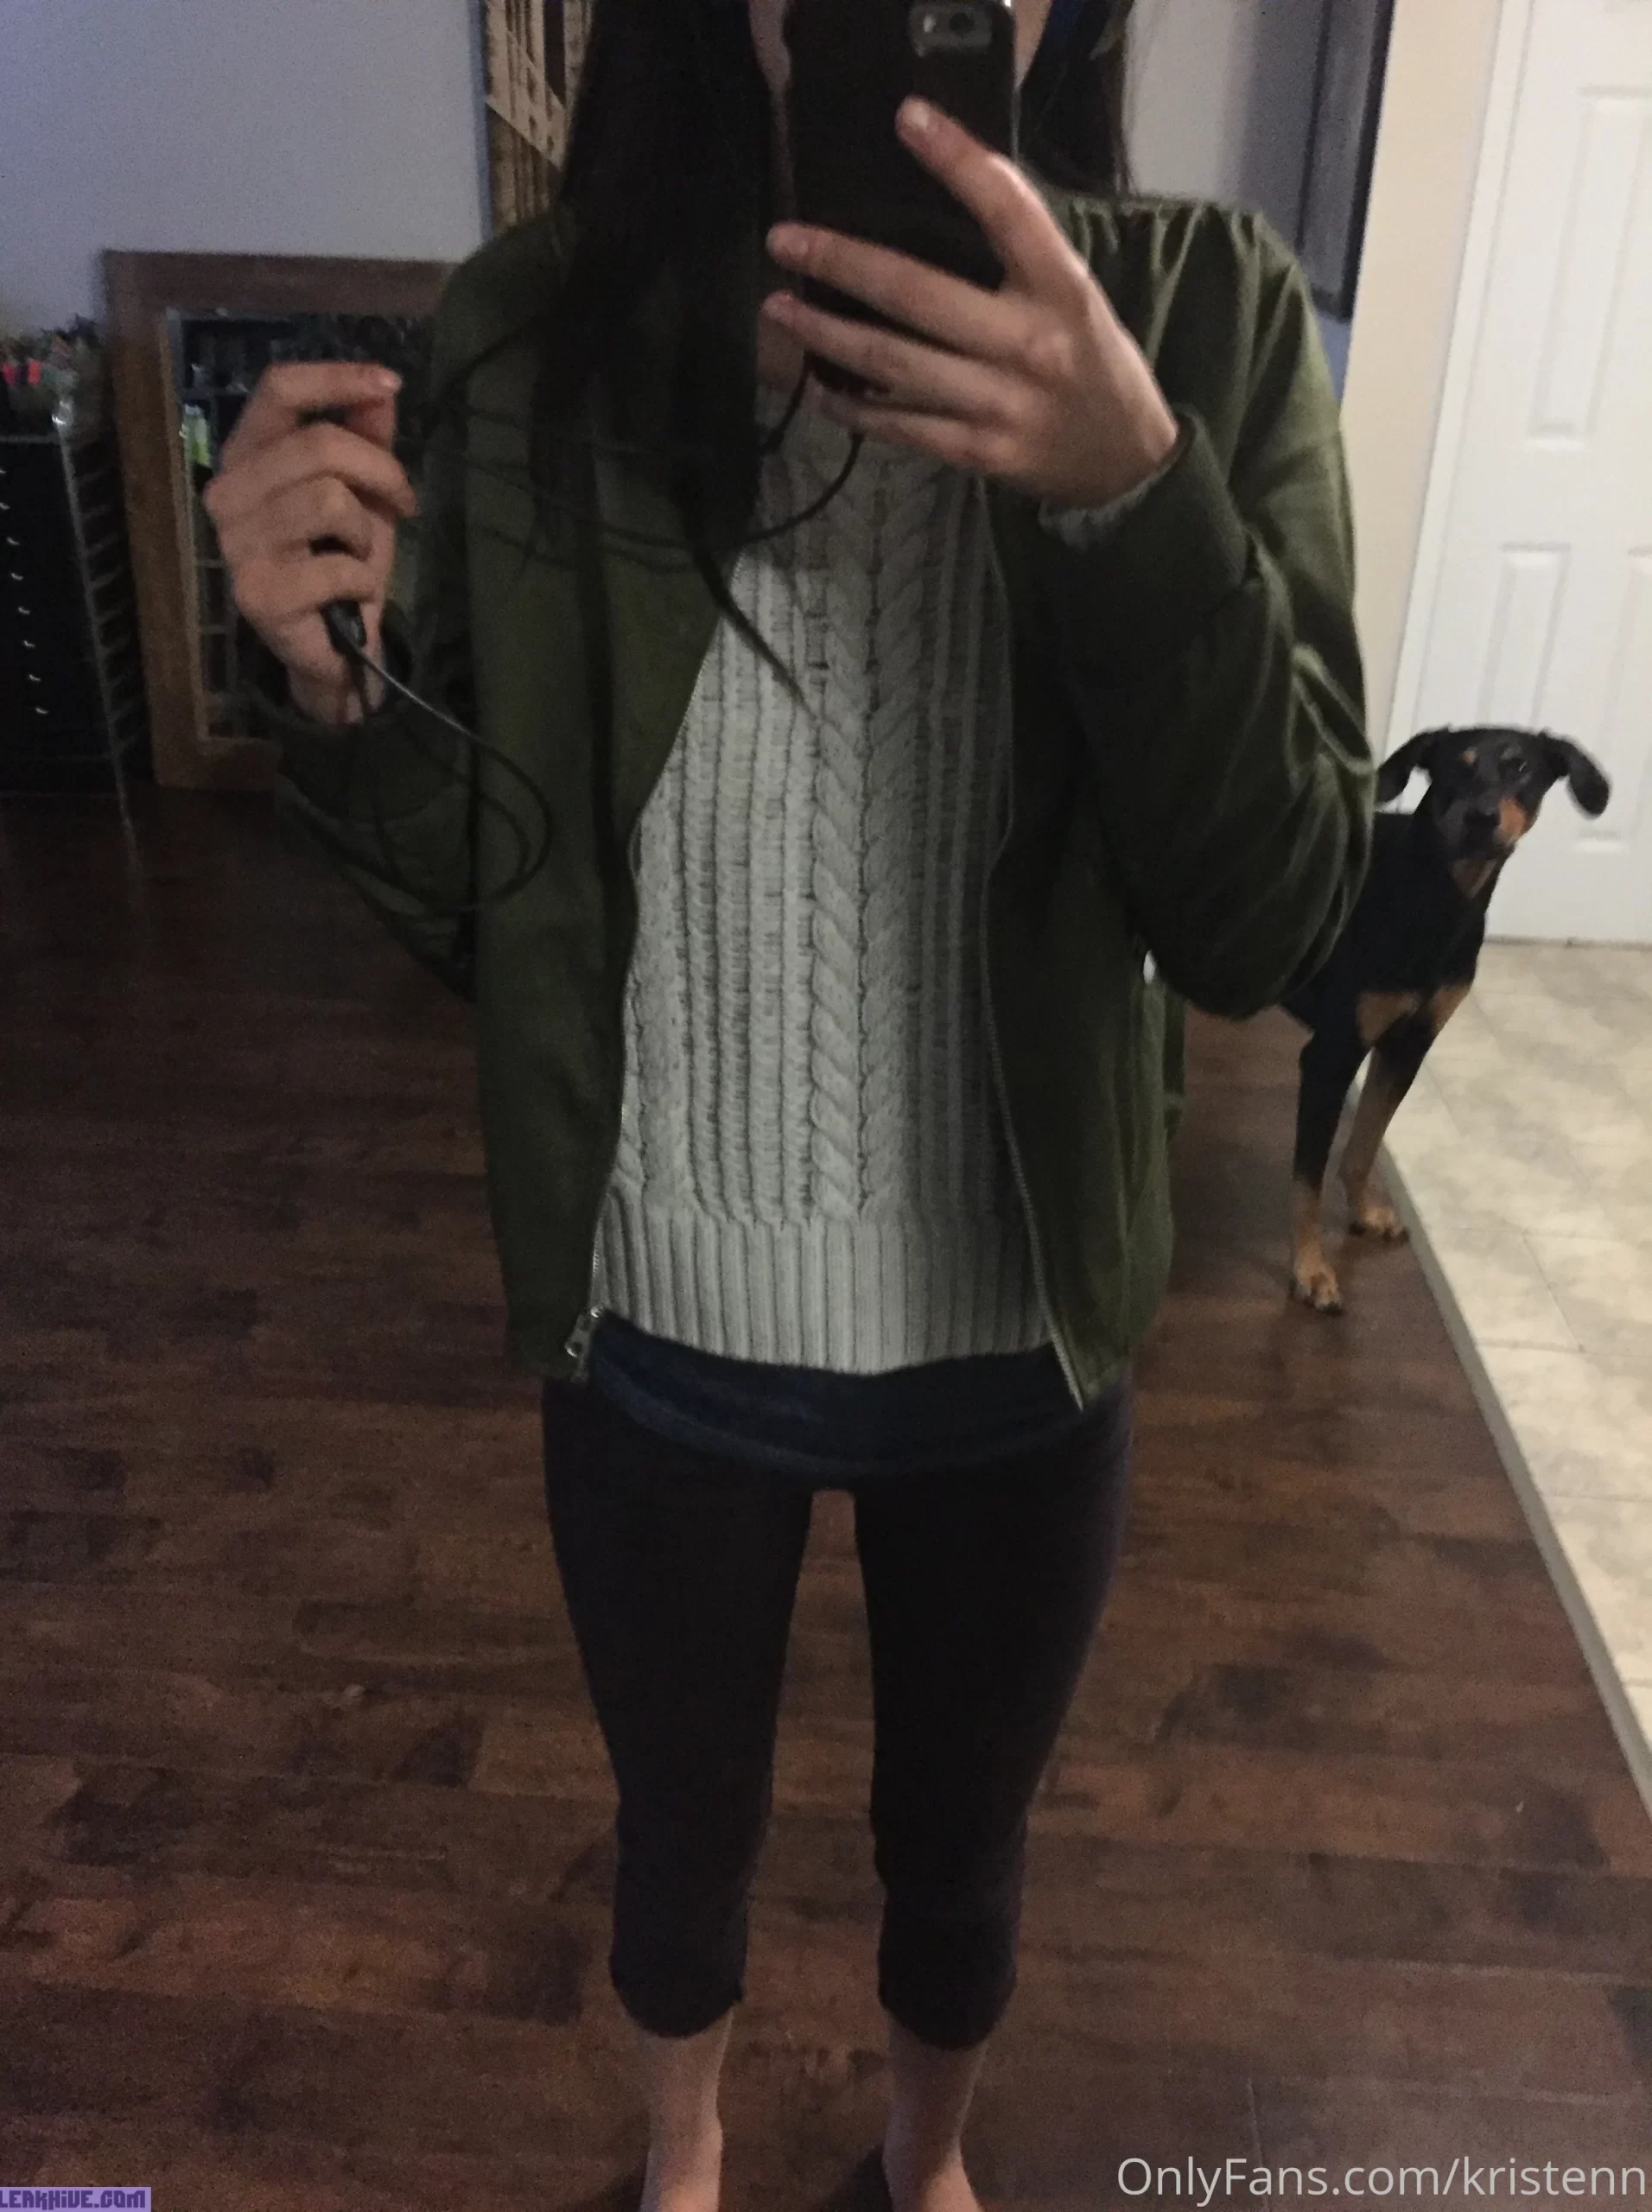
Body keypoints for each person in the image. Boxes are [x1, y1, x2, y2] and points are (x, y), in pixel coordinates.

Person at [205, 1, 1374, 2206]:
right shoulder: (532, 333)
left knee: (965, 1841)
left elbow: (1276, 919)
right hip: (657, 1315)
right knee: (679, 1829)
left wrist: (1134, 491)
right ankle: (688, 2158)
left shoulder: (1205, 318)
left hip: (1020, 1333)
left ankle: (927, 2163)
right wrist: (326, 689)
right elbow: (495, 920)